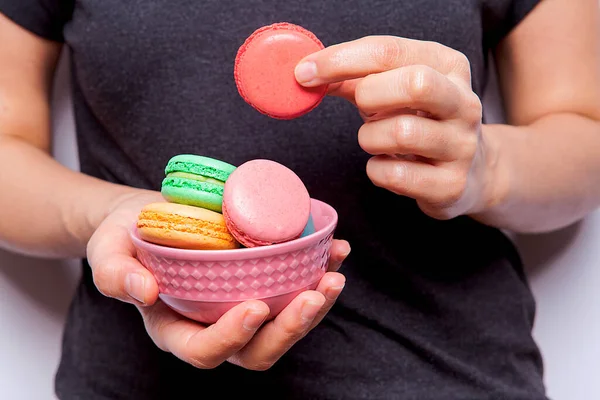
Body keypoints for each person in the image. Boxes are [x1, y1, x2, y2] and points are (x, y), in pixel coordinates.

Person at [0, 0, 599, 398]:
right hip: (133, 381)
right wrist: (117, 218)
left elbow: (584, 134)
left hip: (445, 377)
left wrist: (485, 170)